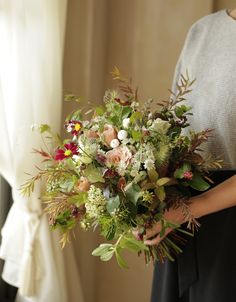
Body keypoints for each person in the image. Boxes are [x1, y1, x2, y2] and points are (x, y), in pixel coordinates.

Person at [146, 8, 236, 302]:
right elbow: (172, 128)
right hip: (180, 220)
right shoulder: (202, 31)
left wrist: (188, 210)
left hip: (224, 230)